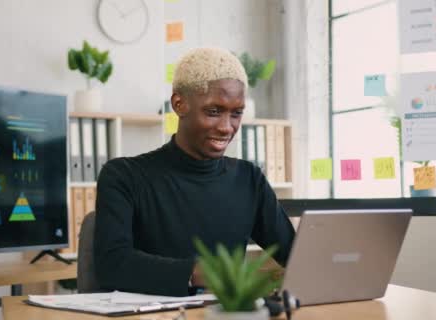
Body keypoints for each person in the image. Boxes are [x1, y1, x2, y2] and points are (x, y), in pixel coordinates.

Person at [94, 47, 295, 297]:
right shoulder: (124, 175)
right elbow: (111, 264)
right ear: (179, 104)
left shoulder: (249, 178)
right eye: (213, 111)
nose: (226, 127)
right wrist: (199, 272)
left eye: (236, 113)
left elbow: (295, 254)